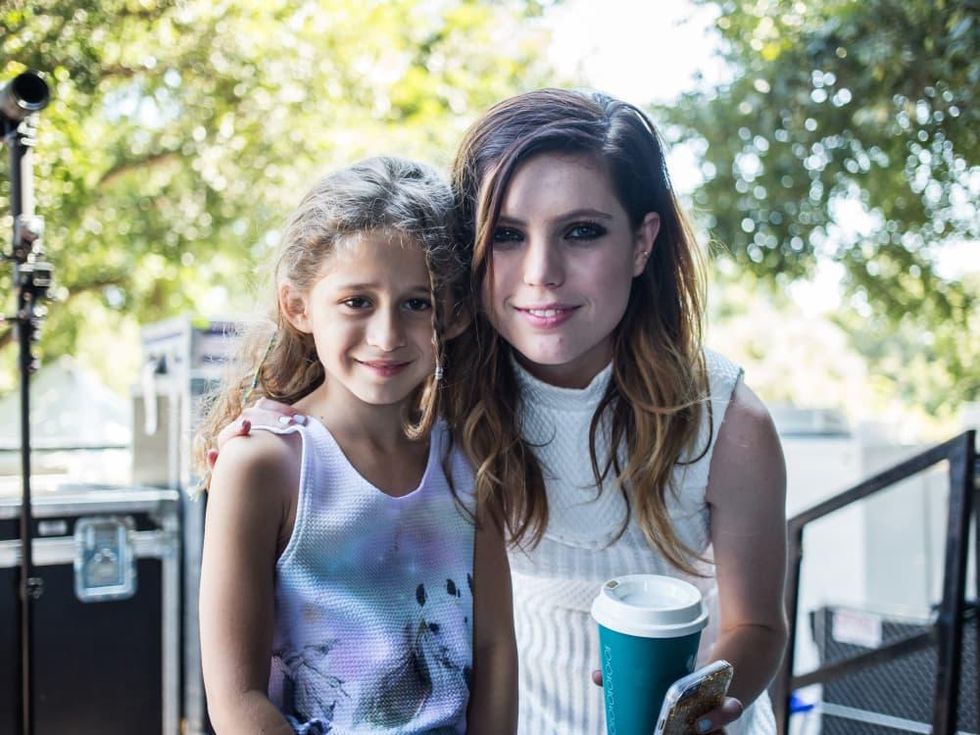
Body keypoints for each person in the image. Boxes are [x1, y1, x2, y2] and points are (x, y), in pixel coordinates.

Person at [216, 89, 788, 735]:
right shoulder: (444, 382)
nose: (542, 272)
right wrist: (266, 429)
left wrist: (693, 704)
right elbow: (343, 390)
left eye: (581, 231)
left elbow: (758, 624)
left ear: (641, 242)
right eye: (509, 236)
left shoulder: (726, 419)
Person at [196, 156, 517, 735]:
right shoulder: (262, 463)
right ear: (298, 306)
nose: (388, 334)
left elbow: (494, 651)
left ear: (455, 315)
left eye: (417, 302)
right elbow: (237, 700)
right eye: (357, 301)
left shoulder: (470, 459)